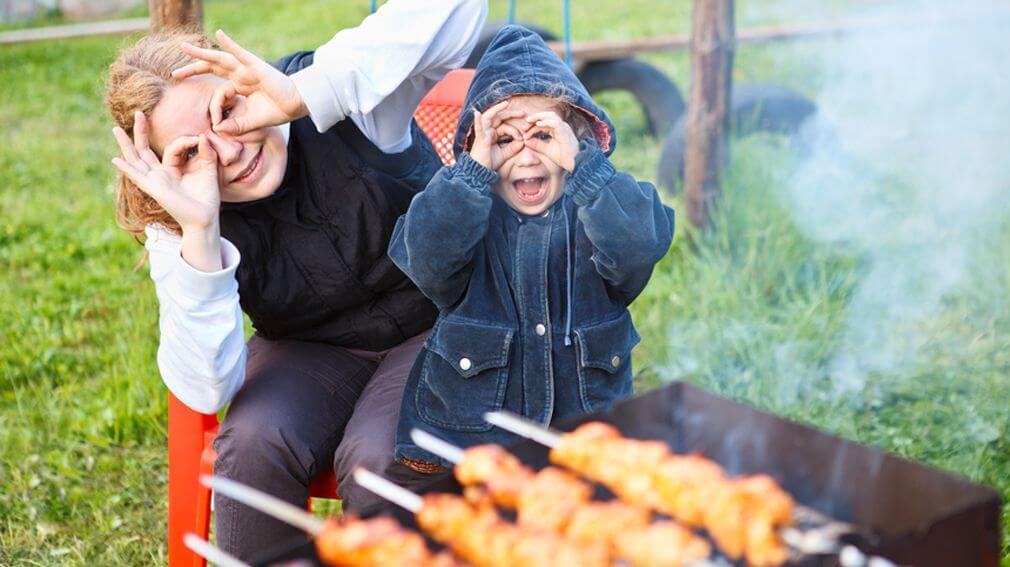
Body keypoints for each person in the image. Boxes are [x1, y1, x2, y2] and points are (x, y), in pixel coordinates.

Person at [104, 0, 486, 560]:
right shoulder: (179, 212)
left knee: (383, 454)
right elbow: (206, 389)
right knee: (254, 447)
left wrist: (306, 93)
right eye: (192, 153)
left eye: (226, 110)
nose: (230, 151)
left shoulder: (342, 102)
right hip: (309, 349)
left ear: (242, 79)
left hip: (441, 326)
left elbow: (457, 9)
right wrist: (201, 232)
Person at [388, 26, 675, 469]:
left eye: (544, 136)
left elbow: (638, 247)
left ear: (577, 140)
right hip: (466, 447)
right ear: (475, 150)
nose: (524, 155)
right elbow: (426, 259)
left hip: (581, 445)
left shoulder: (599, 207)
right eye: (503, 140)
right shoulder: (463, 212)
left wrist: (588, 171)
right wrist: (470, 174)